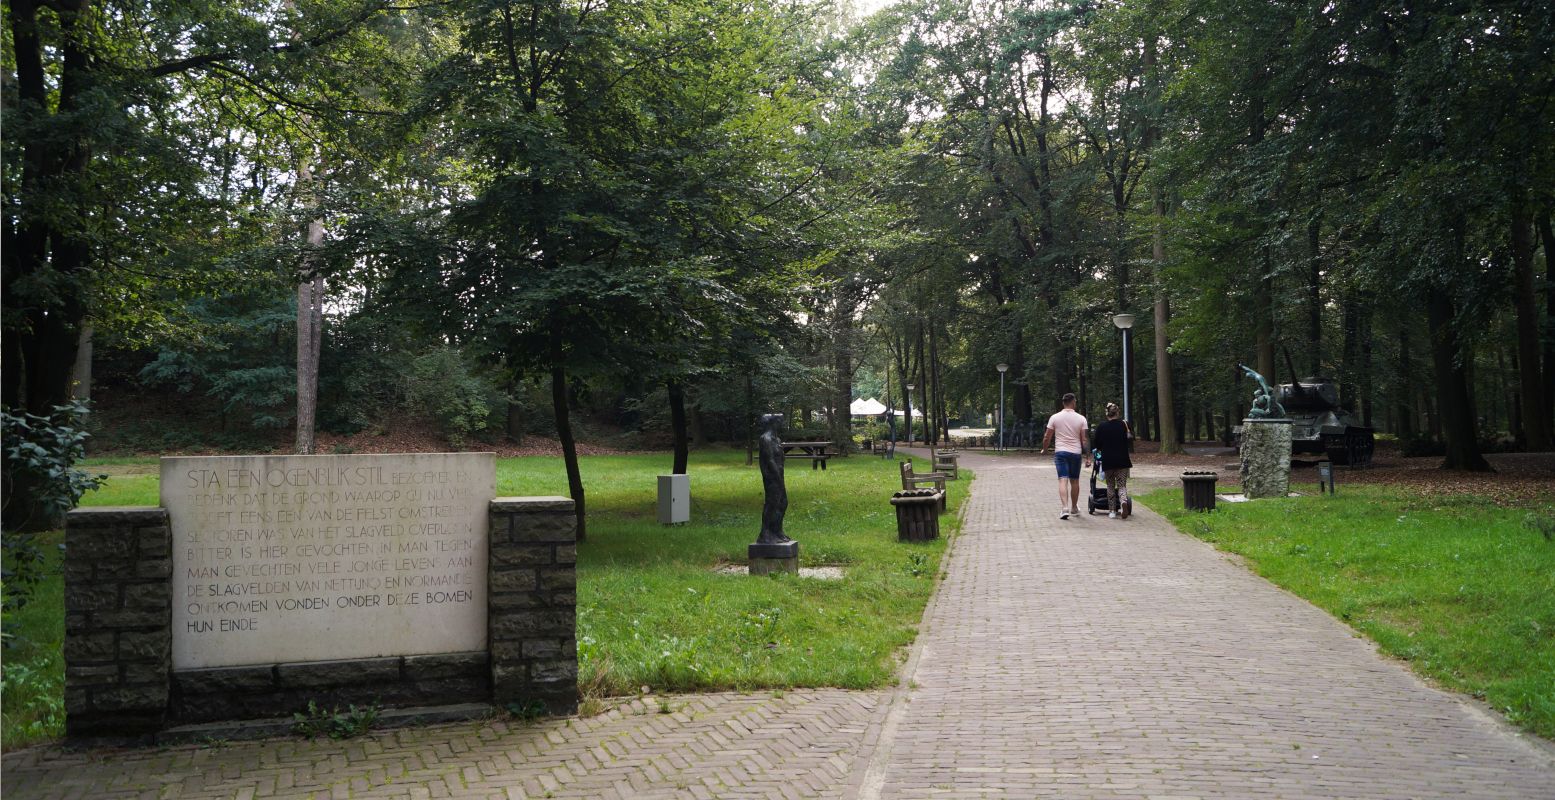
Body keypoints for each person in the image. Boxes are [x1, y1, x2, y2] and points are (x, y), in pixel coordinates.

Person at [1040, 393, 1089, 519]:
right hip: (1076, 453)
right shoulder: (1081, 419)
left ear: (1063, 403)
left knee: (1063, 479)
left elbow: (1047, 437)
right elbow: (1084, 440)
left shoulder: (1055, 417)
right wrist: (1088, 457)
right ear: (1073, 402)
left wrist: (1045, 449)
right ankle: (1074, 507)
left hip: (1061, 452)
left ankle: (1065, 508)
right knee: (1075, 481)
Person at [1092, 402, 1133, 519]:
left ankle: (1112, 511)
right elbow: (1130, 440)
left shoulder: (1102, 427)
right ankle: (1123, 501)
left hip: (1108, 460)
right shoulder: (1124, 424)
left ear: (1107, 414)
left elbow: (1097, 445)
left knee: (1110, 485)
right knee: (1122, 485)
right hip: (1123, 461)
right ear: (1118, 413)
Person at [756, 414, 793, 544]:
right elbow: (770, 460)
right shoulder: (765, 439)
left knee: (783, 502)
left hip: (779, 475)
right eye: (780, 421)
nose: (781, 424)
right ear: (773, 423)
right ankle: (764, 533)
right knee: (772, 504)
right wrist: (777, 476)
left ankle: (777, 531)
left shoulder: (776, 439)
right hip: (771, 476)